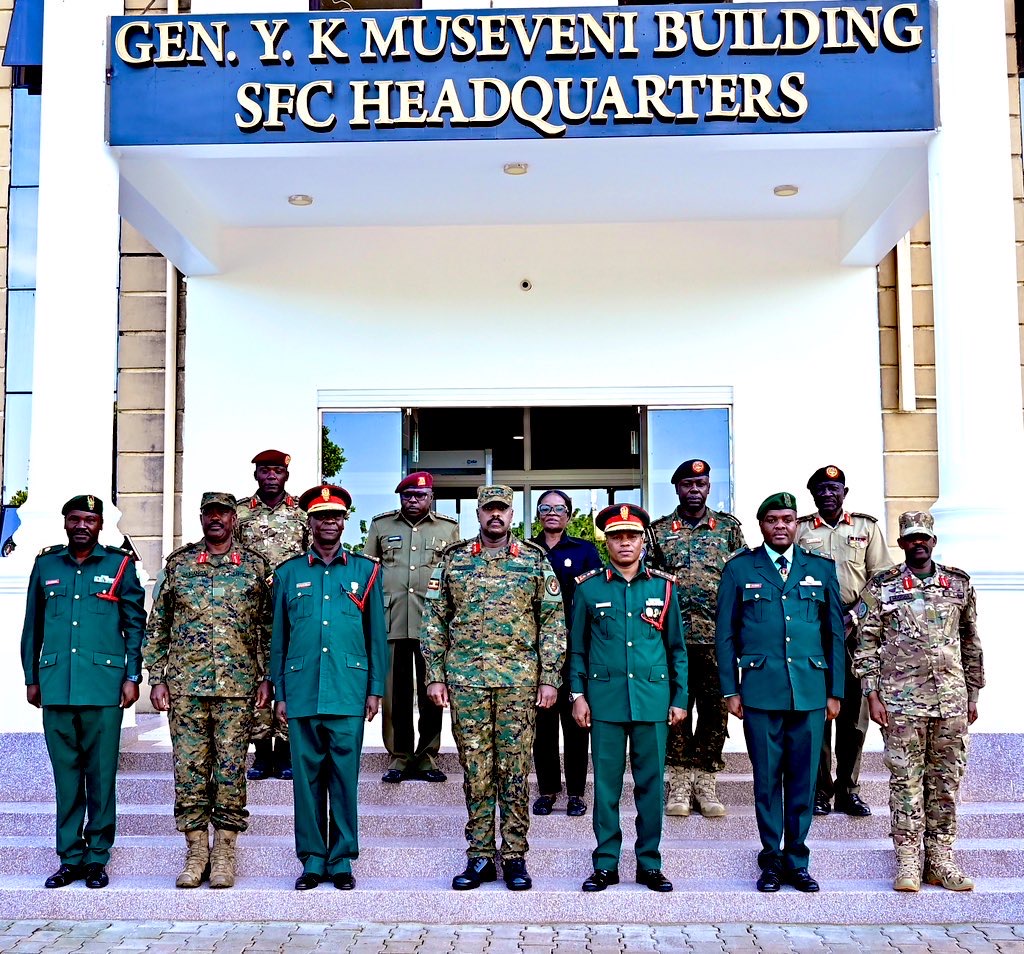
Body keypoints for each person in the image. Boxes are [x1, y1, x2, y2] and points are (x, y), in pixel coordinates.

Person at [421, 485, 565, 892]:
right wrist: (434, 673)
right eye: (489, 510)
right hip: (466, 681)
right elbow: (433, 620)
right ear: (479, 515)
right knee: (476, 770)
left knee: (515, 769)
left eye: (502, 509)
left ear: (512, 515)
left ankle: (515, 855)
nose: (495, 516)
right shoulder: (454, 561)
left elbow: (553, 622)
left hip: (519, 683)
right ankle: (481, 855)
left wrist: (549, 677)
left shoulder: (534, 561)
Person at [715, 491, 844, 893]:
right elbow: (726, 635)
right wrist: (729, 690)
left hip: (809, 689)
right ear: (762, 525)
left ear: (797, 523)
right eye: (773, 520)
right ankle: (771, 859)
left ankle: (798, 860)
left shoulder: (821, 569)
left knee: (804, 781)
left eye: (788, 519)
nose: (782, 526)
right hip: (759, 691)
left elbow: (834, 634)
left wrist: (834, 690)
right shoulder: (740, 569)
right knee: (767, 780)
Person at [853, 511, 985, 893]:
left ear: (933, 540)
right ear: (901, 543)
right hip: (901, 703)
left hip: (951, 702)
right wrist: (871, 694)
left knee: (945, 783)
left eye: (923, 537)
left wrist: (973, 693)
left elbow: (971, 641)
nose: (918, 543)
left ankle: (940, 860)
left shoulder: (958, 585)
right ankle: (909, 861)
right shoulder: (882, 587)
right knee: (905, 783)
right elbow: (866, 644)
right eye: (910, 538)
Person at [145, 492, 271, 890]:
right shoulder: (180, 564)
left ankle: (225, 853)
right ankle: (196, 850)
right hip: (186, 688)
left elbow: (267, 627)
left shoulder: (254, 566)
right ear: (202, 518)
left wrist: (268, 677)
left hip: (238, 688)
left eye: (223, 513)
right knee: (190, 770)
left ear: (235, 518)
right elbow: (158, 624)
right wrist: (157, 677)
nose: (216, 519)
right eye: (209, 513)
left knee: (232, 770)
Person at [20, 494, 145, 889]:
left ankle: (97, 857)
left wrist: (132, 676)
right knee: (66, 777)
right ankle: (69, 856)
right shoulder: (45, 565)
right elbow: (32, 627)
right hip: (56, 686)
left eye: (89, 520)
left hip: (103, 687)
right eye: (74, 519)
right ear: (65, 522)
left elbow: (134, 626)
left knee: (101, 775)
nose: (81, 526)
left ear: (100, 524)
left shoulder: (118, 565)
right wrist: (31, 676)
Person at [270, 484, 388, 891]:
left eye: (336, 516)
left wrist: (375, 689)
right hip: (302, 689)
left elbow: (377, 636)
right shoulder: (288, 574)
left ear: (344, 521)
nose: (329, 523)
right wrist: (280, 692)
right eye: (321, 516)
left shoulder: (366, 570)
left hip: (347, 689)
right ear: (311, 521)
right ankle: (312, 859)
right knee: (305, 781)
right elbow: (278, 639)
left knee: (343, 778)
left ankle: (341, 859)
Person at [569, 504, 687, 893]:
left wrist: (680, 697)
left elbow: (677, 650)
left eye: (631, 536)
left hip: (653, 699)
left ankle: (649, 863)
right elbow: (577, 649)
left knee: (651, 786)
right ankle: (606, 864)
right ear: (607, 541)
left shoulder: (663, 587)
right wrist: (578, 694)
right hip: (604, 700)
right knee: (605, 787)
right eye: (617, 536)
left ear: (642, 541)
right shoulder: (588, 588)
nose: (624, 542)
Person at [649, 459, 745, 818]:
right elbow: (650, 585)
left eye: (701, 483)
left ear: (709, 487)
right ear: (677, 488)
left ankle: (706, 781)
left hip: (718, 639)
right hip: (670, 641)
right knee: (674, 711)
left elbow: (740, 579)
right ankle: (678, 780)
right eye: (687, 484)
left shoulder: (728, 529)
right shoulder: (659, 532)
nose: (694, 489)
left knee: (715, 712)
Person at [797, 464, 892, 818]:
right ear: (813, 495)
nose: (827, 494)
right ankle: (819, 790)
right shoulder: (802, 530)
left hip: (856, 633)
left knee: (854, 715)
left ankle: (848, 790)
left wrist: (854, 615)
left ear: (844, 493)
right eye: (820, 489)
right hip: (815, 633)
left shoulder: (865, 528)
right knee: (818, 712)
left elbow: (880, 580)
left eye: (833, 489)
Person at [364, 471, 460, 783]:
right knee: (395, 695)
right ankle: (399, 757)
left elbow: (454, 576)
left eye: (420, 495)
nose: (413, 500)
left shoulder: (448, 527)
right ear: (400, 497)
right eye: (407, 495)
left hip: (432, 622)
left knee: (433, 693)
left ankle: (428, 756)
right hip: (392, 620)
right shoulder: (381, 525)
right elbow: (369, 572)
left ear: (431, 497)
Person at [235, 449, 309, 782]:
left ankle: (287, 753)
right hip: (252, 610)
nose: (270, 476)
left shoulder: (302, 515)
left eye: (276, 471)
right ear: (256, 475)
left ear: (286, 475)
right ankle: (262, 755)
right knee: (258, 681)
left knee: (290, 678)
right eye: (264, 471)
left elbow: (311, 558)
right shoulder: (239, 513)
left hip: (291, 610)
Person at [530, 489, 602, 818]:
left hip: (576, 649)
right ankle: (547, 790)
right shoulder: (527, 551)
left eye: (559, 508)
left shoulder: (586, 551)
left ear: (569, 516)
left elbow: (597, 597)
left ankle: (575, 792)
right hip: (536, 652)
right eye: (545, 508)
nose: (552, 513)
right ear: (538, 514)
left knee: (576, 723)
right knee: (542, 726)